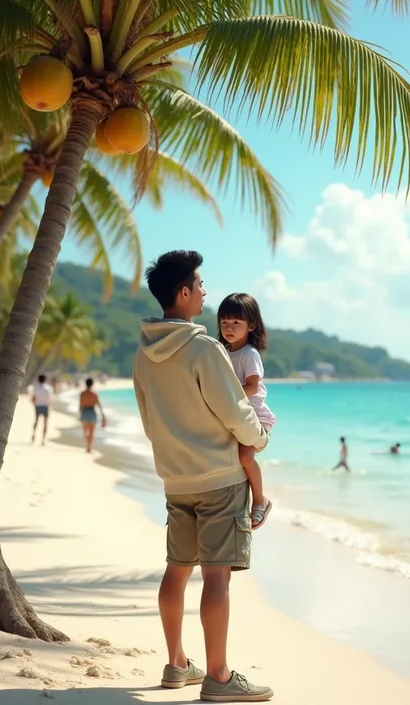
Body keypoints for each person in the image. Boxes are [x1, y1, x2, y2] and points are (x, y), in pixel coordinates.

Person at [133, 251, 273, 702]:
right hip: (219, 479)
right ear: (184, 292)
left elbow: (148, 418)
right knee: (217, 577)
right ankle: (217, 677)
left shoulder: (143, 353)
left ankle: (177, 665)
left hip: (176, 480)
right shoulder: (205, 348)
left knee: (176, 572)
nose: (206, 292)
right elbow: (235, 411)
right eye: (200, 284)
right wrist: (260, 440)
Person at [217, 293, 276, 529]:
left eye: (236, 323)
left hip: (255, 416)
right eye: (224, 323)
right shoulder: (222, 351)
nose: (229, 328)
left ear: (251, 325)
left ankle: (261, 502)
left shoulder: (249, 354)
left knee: (244, 457)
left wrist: (227, 394)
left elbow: (252, 386)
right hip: (234, 412)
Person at [79, 378, 106, 453]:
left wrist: (80, 414)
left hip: (84, 412)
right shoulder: (94, 394)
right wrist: (103, 415)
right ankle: (89, 447)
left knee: (85, 431)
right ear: (92, 384)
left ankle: (88, 444)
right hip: (92, 412)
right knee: (91, 431)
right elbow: (99, 405)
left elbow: (80, 405)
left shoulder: (82, 394)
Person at [32, 374, 53, 444]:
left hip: (38, 406)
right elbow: (49, 399)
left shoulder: (36, 388)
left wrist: (35, 404)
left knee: (36, 421)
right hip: (45, 406)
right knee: (45, 423)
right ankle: (43, 439)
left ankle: (33, 434)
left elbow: (33, 399)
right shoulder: (48, 388)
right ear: (45, 380)